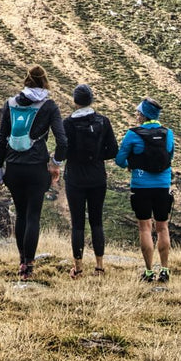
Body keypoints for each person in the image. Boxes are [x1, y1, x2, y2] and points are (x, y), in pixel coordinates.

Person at [0, 64, 67, 279]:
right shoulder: (49, 106)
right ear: (45, 83)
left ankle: (21, 261)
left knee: (21, 215)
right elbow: (62, 141)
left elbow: (1, 138)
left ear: (26, 81)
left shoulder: (11, 103)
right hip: (37, 168)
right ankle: (29, 266)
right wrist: (55, 163)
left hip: (13, 167)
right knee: (33, 215)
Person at [115, 96, 175, 283]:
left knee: (145, 229)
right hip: (162, 185)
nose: (136, 114)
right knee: (163, 227)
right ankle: (165, 270)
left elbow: (119, 159)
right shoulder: (168, 133)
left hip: (141, 186)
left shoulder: (133, 134)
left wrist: (131, 163)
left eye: (138, 112)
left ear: (143, 115)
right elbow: (170, 156)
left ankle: (149, 272)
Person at [62, 83, 118, 279]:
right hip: (97, 177)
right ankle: (100, 267)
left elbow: (63, 151)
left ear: (75, 101)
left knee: (77, 223)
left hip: (75, 178)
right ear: (91, 100)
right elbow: (113, 150)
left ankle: (77, 268)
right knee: (97, 221)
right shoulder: (103, 121)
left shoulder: (67, 123)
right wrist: (97, 156)